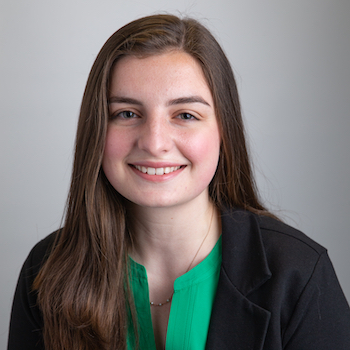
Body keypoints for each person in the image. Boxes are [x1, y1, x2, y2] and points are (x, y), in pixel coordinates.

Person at [7, 14, 350, 350]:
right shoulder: (46, 271)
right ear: (96, 130)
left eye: (185, 115)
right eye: (127, 113)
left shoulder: (300, 274)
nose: (154, 143)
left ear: (224, 133)